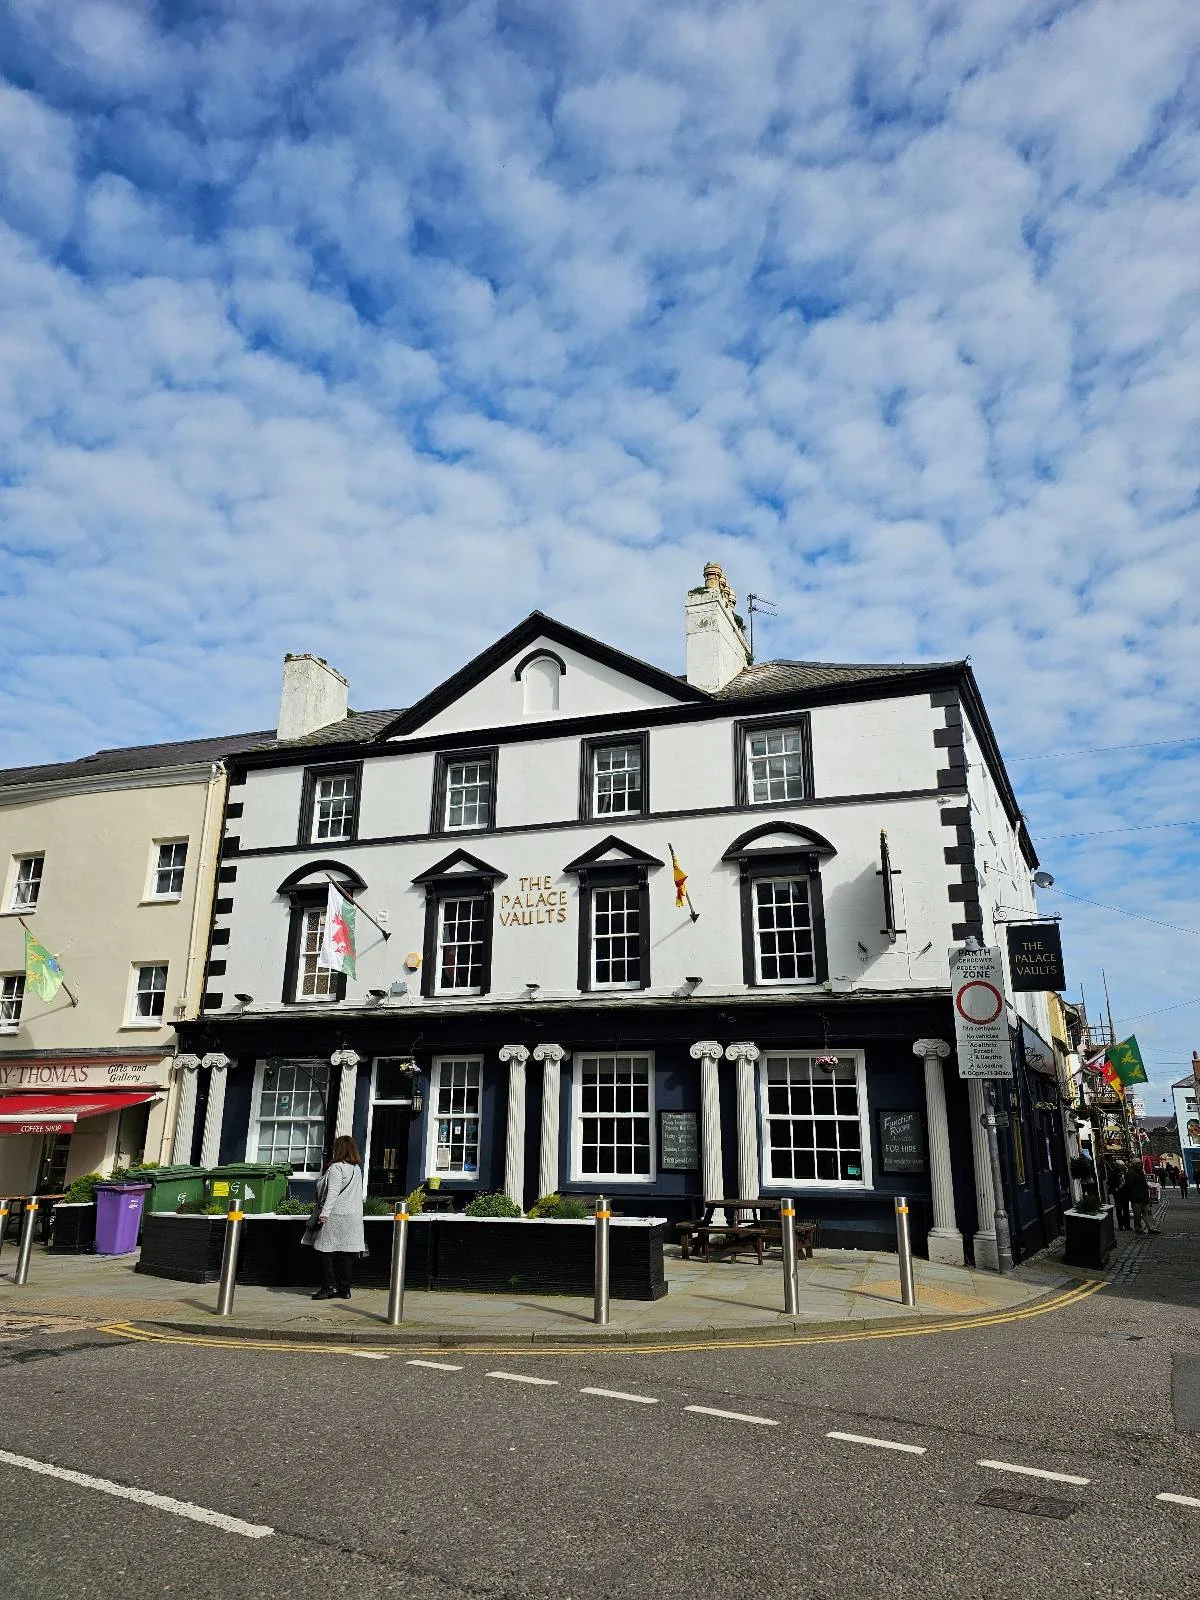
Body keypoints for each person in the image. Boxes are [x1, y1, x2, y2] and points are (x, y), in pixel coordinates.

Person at [303, 1134, 366, 1300]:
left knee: (324, 1250)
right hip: (353, 1216)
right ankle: (345, 1289)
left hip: (336, 1215)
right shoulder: (356, 1168)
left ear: (338, 1149)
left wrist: (324, 1214)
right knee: (347, 1253)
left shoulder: (337, 1167)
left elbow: (332, 1193)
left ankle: (329, 1286)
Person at [1124, 1162, 1158, 1235]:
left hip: (1143, 1197)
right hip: (1136, 1198)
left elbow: (1143, 1185)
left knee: (1147, 1213)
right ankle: (1139, 1228)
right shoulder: (1131, 1174)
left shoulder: (1140, 1173)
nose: (1141, 1166)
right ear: (1135, 1165)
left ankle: (1151, 1227)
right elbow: (1130, 1187)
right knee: (1138, 1214)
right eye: (1139, 1164)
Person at [1107, 1160, 1131, 1231]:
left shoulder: (1125, 1171)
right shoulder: (1113, 1172)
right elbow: (1110, 1182)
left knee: (1126, 1209)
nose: (1122, 1167)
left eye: (1122, 1166)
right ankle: (1121, 1225)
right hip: (1117, 1193)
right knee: (1119, 1209)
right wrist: (1115, 1187)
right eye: (1120, 1166)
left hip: (1125, 1192)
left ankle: (1127, 1225)